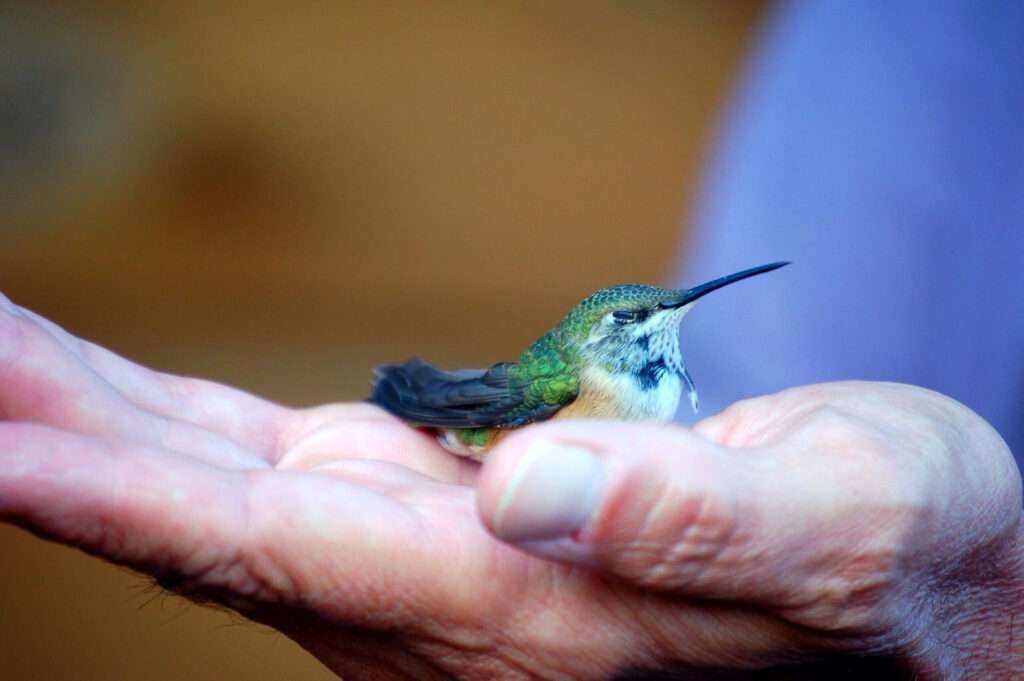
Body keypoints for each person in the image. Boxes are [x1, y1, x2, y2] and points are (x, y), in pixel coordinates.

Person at [2, 3, 1022, 680]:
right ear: (604, 338)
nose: (665, 322)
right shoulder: (564, 375)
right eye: (640, 318)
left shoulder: (662, 383)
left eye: (661, 315)